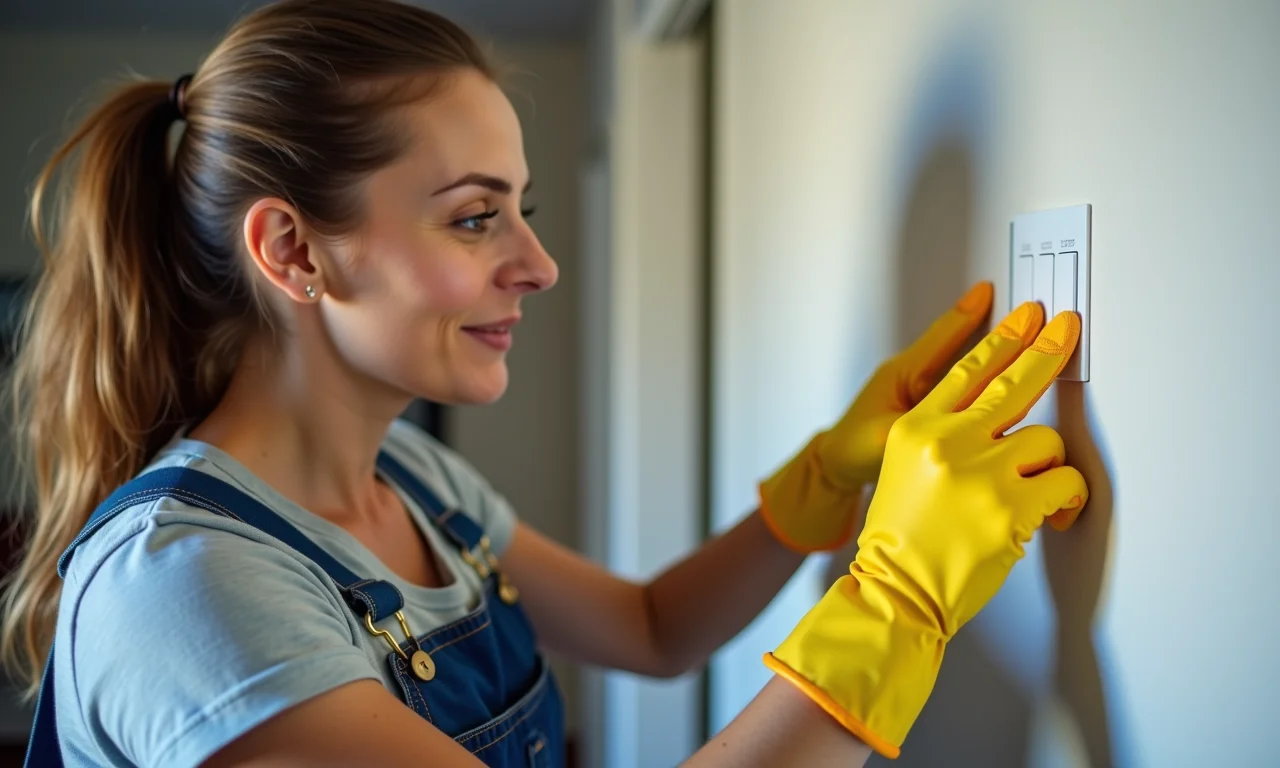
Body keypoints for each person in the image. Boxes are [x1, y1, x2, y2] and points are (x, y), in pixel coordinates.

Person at [0, 1, 1088, 766]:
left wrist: (823, 480)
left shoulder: (411, 478)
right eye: (476, 217)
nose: (539, 264)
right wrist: (895, 605)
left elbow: (653, 629)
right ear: (292, 251)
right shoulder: (185, 588)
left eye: (522, 210)